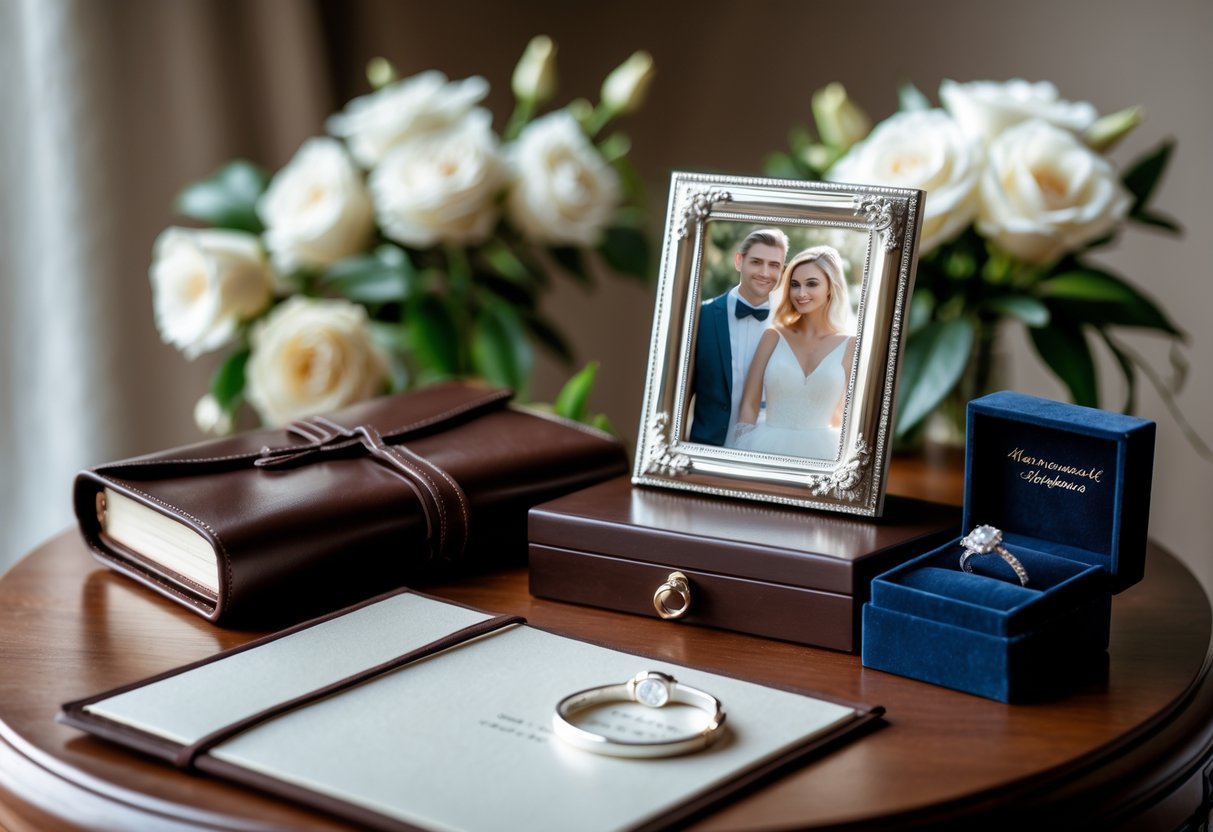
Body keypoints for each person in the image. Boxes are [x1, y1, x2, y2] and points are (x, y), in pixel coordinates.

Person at [732, 245, 854, 460]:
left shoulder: (850, 345)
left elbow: (843, 414)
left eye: (812, 284)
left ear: (829, 288)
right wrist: (743, 454)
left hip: (823, 452)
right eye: (795, 285)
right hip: (764, 447)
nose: (801, 293)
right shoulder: (773, 336)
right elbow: (749, 405)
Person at [688, 228, 789, 446]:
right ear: (738, 261)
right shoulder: (700, 317)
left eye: (774, 265)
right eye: (756, 262)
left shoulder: (788, 327)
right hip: (705, 448)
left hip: (763, 452)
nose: (765, 272)